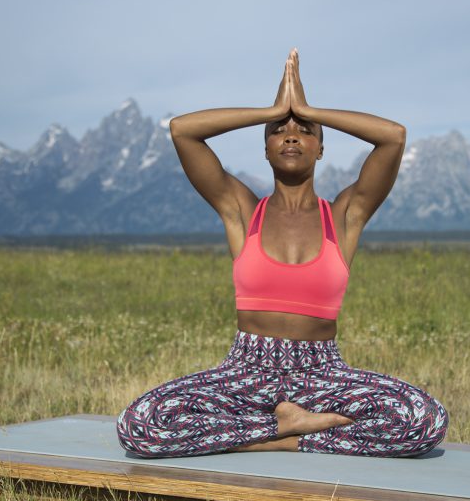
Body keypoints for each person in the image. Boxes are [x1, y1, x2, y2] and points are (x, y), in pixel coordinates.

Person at [116, 49, 449, 457]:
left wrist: (308, 108)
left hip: (322, 373)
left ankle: (268, 436)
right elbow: (183, 130)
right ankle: (290, 431)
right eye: (279, 131)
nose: (291, 135)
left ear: (322, 149)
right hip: (245, 370)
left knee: (423, 419)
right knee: (141, 423)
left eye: (305, 131)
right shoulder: (243, 211)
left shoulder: (344, 216)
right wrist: (272, 109)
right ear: (266, 149)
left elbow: (393, 136)